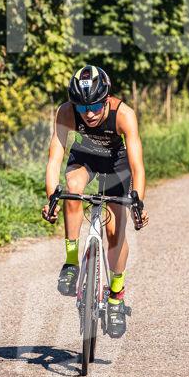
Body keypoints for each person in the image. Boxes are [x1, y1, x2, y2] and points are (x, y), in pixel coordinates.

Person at [41, 65, 149, 338]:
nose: (88, 114)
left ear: (107, 99)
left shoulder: (124, 115)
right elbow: (55, 159)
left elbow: (137, 166)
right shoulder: (66, 112)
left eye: (95, 106)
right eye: (82, 107)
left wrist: (138, 202)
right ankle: (71, 263)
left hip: (116, 163)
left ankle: (116, 296)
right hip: (85, 156)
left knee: (114, 232)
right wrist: (52, 197)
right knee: (73, 188)